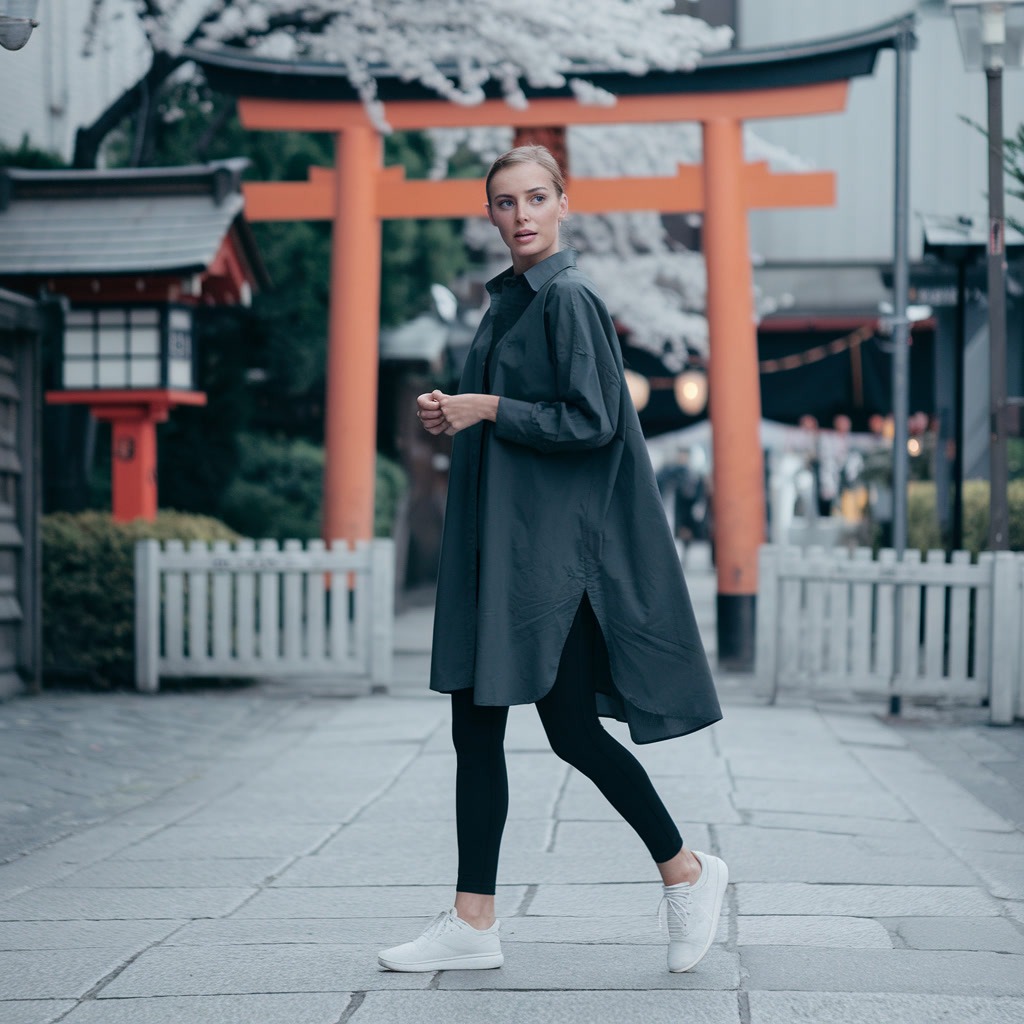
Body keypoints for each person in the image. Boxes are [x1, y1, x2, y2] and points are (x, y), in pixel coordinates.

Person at [377, 146, 726, 976]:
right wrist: (454, 413)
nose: (522, 215)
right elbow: (520, 418)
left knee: (570, 731)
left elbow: (595, 420)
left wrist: (488, 406)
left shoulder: (568, 298)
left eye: (537, 198)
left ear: (565, 203)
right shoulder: (506, 304)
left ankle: (687, 870)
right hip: (502, 545)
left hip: (551, 556)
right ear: (491, 214)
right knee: (476, 728)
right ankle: (475, 919)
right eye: (505, 202)